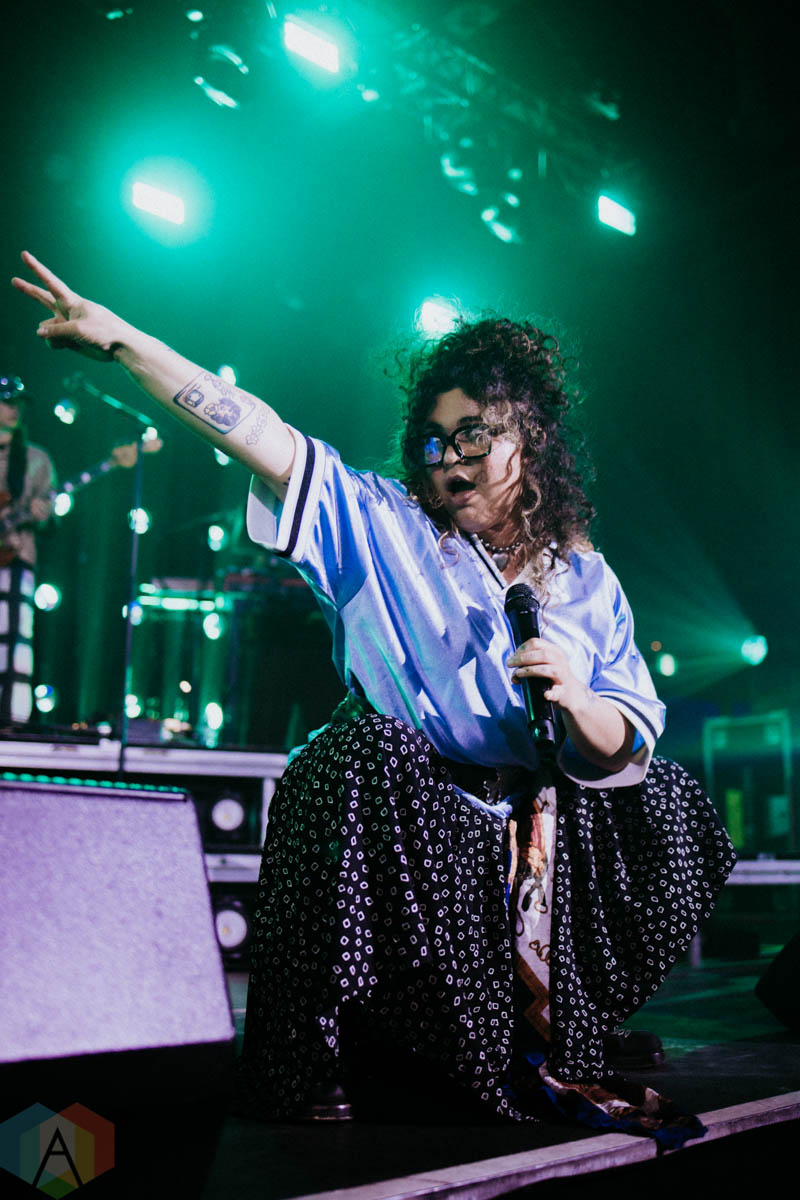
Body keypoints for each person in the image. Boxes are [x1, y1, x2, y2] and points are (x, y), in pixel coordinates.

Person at [12, 252, 735, 1145]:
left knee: (672, 801)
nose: (449, 459)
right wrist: (126, 342)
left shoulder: (587, 578)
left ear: (530, 440)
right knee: (356, 752)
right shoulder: (381, 520)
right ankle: (323, 1047)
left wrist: (581, 701)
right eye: (433, 441)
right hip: (416, 842)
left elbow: (625, 739)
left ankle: (571, 1013)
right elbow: (256, 430)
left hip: (531, 853)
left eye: (474, 436)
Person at [0, 372, 56, 722]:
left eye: (18, 403)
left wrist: (42, 514)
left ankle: (11, 720)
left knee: (14, 642)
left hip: (17, 558)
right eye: (7, 401)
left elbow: (50, 520)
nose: (14, 409)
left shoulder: (37, 459)